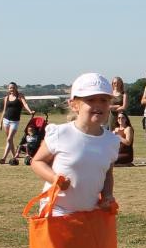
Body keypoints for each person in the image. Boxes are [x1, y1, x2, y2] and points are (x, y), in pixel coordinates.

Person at [30, 73, 120, 216]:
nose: (98, 105)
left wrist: (107, 195)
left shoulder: (111, 141)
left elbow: (107, 172)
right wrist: (54, 178)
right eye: (90, 100)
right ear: (74, 105)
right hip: (57, 210)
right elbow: (37, 161)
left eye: (104, 100)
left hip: (89, 212)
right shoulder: (60, 133)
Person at [0, 83, 34, 164]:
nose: (11, 89)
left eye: (13, 87)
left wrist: (30, 111)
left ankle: (5, 158)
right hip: (6, 120)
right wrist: (0, 123)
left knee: (9, 139)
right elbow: (4, 111)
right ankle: (13, 158)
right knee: (10, 140)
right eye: (10, 88)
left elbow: (25, 104)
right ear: (8, 89)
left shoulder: (20, 96)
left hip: (15, 121)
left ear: (16, 88)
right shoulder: (6, 98)